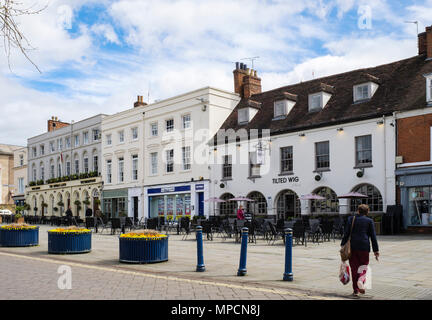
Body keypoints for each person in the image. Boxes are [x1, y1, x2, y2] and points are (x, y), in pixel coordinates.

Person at [341, 204, 379, 297]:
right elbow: (373, 237)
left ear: (358, 211)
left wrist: (342, 244)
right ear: (367, 212)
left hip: (352, 247)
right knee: (363, 267)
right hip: (364, 247)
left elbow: (346, 233)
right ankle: (361, 281)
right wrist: (376, 250)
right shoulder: (369, 221)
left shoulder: (351, 219)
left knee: (354, 269)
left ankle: (355, 291)